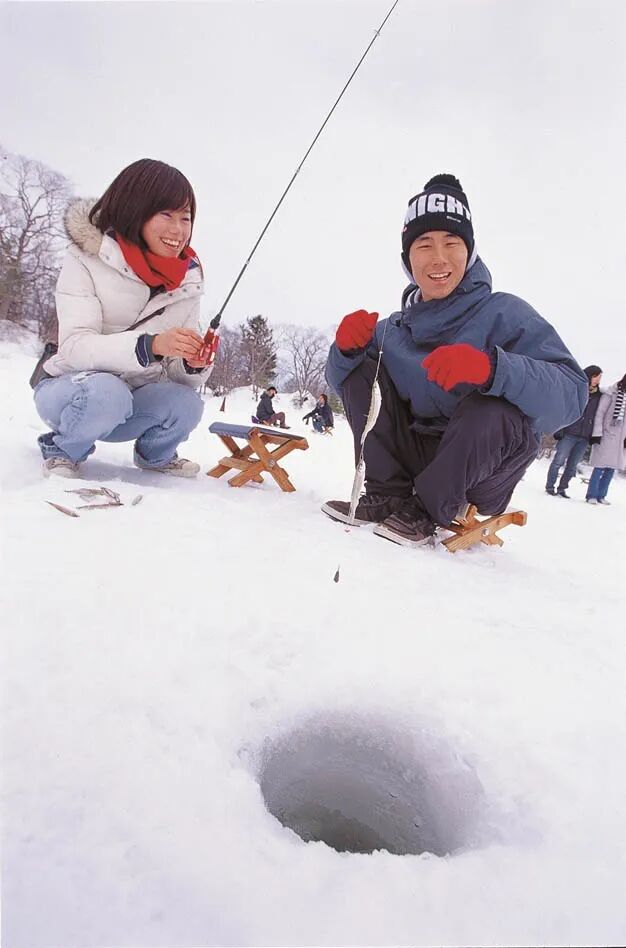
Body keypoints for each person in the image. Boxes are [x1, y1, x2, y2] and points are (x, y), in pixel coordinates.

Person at [322, 173, 588, 547]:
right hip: (417, 454)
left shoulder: (505, 313)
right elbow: (341, 385)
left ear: (470, 251)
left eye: (452, 242)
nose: (439, 258)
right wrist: (345, 351)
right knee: (361, 372)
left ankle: (428, 510)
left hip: (483, 473)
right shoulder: (393, 329)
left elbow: (573, 395)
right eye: (424, 245)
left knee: (491, 407)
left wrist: (493, 368)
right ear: (407, 258)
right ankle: (387, 494)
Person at [32, 158, 214, 479]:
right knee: (107, 392)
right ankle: (63, 448)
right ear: (135, 209)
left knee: (186, 402)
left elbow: (172, 372)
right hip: (69, 392)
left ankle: (155, 456)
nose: (178, 229)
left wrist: (192, 363)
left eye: (185, 218)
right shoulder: (86, 258)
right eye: (166, 215)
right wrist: (151, 345)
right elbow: (74, 347)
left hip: (128, 402)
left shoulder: (187, 283)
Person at [545, 365, 603, 498]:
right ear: (589, 375)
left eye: (600, 377)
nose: (598, 380)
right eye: (596, 376)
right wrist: (560, 429)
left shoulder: (599, 396)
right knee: (558, 461)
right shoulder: (575, 389)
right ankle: (550, 487)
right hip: (569, 432)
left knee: (572, 466)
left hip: (584, 436)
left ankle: (562, 489)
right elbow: (563, 409)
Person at [585, 373, 626, 505]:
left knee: (611, 467)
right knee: (599, 466)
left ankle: (601, 495)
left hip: (620, 437)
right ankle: (591, 495)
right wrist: (597, 433)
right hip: (605, 434)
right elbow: (600, 413)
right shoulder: (610, 393)